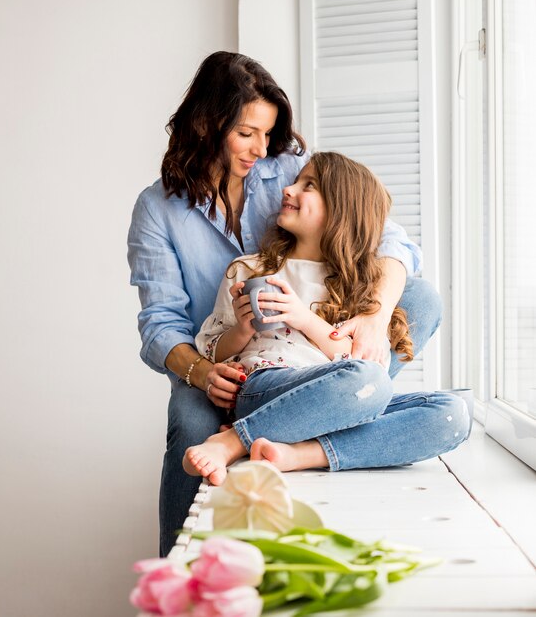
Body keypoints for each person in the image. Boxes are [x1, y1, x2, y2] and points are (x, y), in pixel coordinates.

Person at [128, 51, 441, 557]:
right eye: (247, 133)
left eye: (268, 134)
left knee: (420, 299)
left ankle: (311, 429)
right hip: (226, 363)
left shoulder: (291, 172)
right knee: (191, 425)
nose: (261, 149)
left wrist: (375, 315)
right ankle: (176, 569)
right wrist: (205, 373)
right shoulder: (157, 210)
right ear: (208, 122)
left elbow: (390, 241)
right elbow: (160, 325)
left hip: (319, 355)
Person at [183, 152, 471, 485]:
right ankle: (232, 441)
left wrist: (303, 317)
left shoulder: (358, 286)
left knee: (452, 414)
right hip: (266, 385)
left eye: (309, 186)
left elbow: (351, 359)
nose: (288, 190)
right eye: (294, 182)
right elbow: (211, 349)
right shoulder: (249, 269)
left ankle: (301, 454)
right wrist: (243, 329)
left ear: (341, 210)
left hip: (335, 399)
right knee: (372, 382)